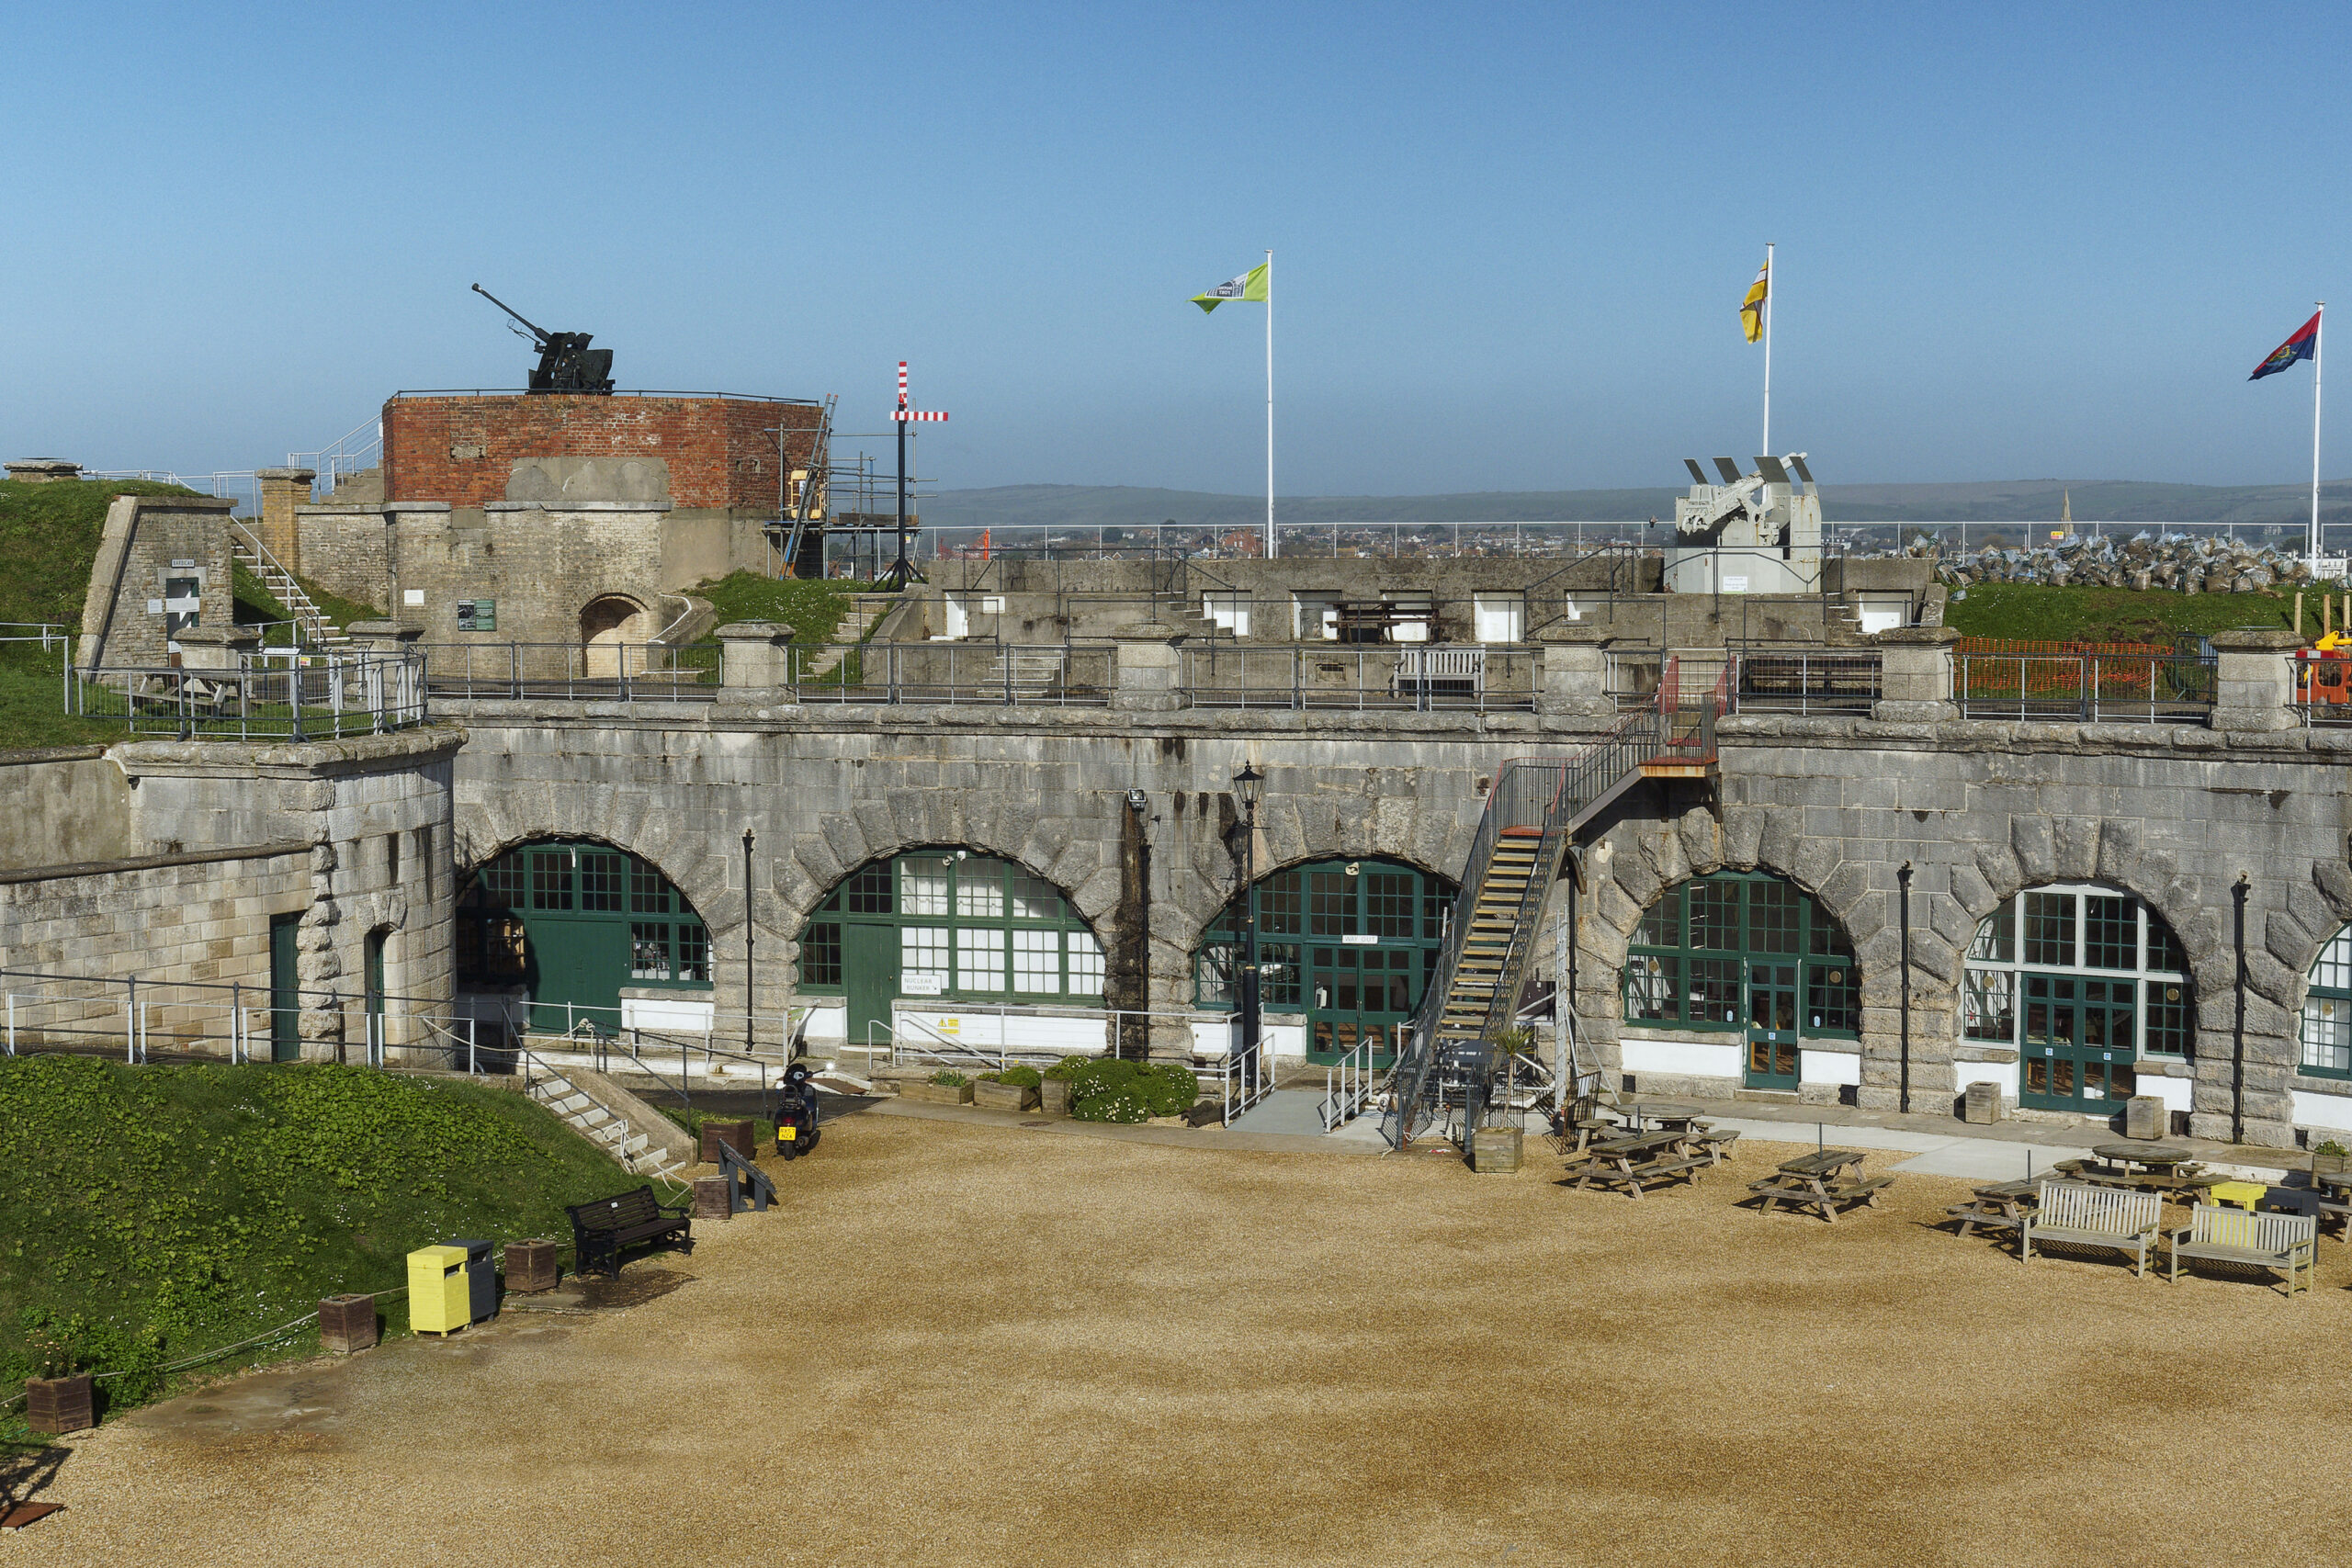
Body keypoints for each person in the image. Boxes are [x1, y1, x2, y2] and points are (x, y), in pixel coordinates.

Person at [777, 1061, 821, 1159]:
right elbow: (811, 1106)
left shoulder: (786, 1089)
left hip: (789, 1112)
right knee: (808, 1110)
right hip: (797, 1120)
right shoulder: (807, 1090)